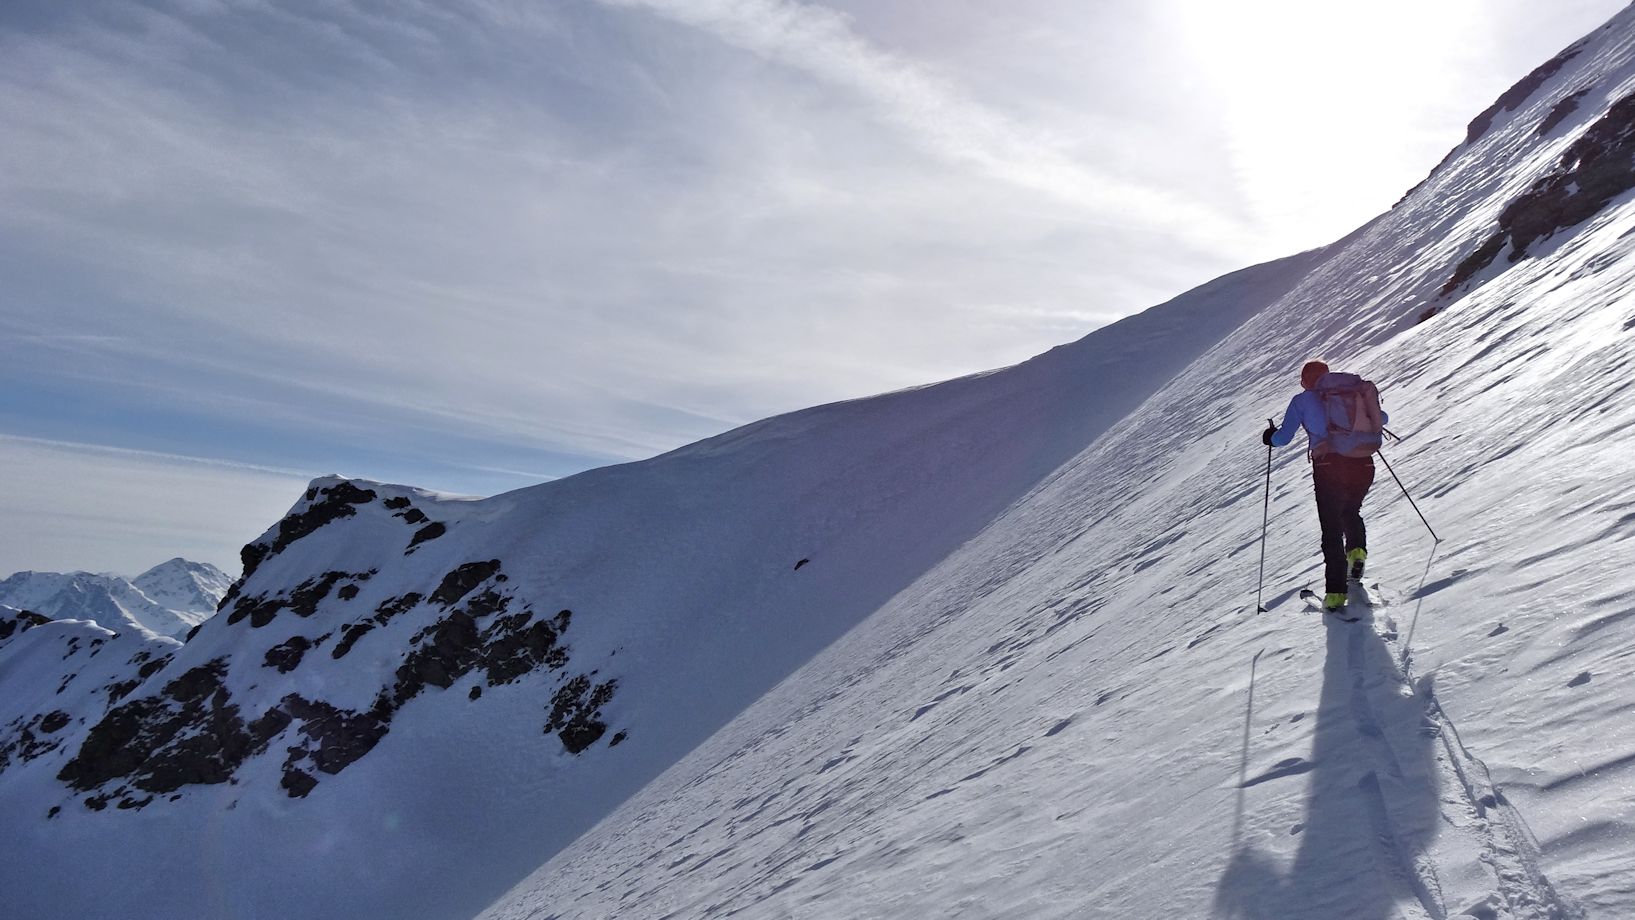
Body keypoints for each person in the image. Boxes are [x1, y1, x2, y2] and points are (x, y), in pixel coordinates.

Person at [1262, 360, 1384, 612]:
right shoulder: (1353, 391)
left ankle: (1336, 594)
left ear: (1306, 380)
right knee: (1350, 511)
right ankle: (1357, 553)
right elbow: (1381, 417)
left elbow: (1283, 438)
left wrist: (1269, 436)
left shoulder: (1303, 400)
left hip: (1329, 467)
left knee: (1331, 528)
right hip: (1364, 462)